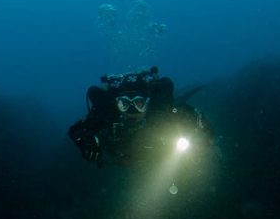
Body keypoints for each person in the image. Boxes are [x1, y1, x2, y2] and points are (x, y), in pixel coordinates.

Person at [68, 66, 211, 165]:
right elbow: (75, 130)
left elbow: (197, 117)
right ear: (117, 105)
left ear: (147, 103)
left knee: (176, 106)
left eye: (138, 103)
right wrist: (86, 143)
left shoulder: (159, 111)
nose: (132, 110)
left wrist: (204, 138)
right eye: (124, 104)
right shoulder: (107, 113)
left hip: (150, 156)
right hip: (122, 156)